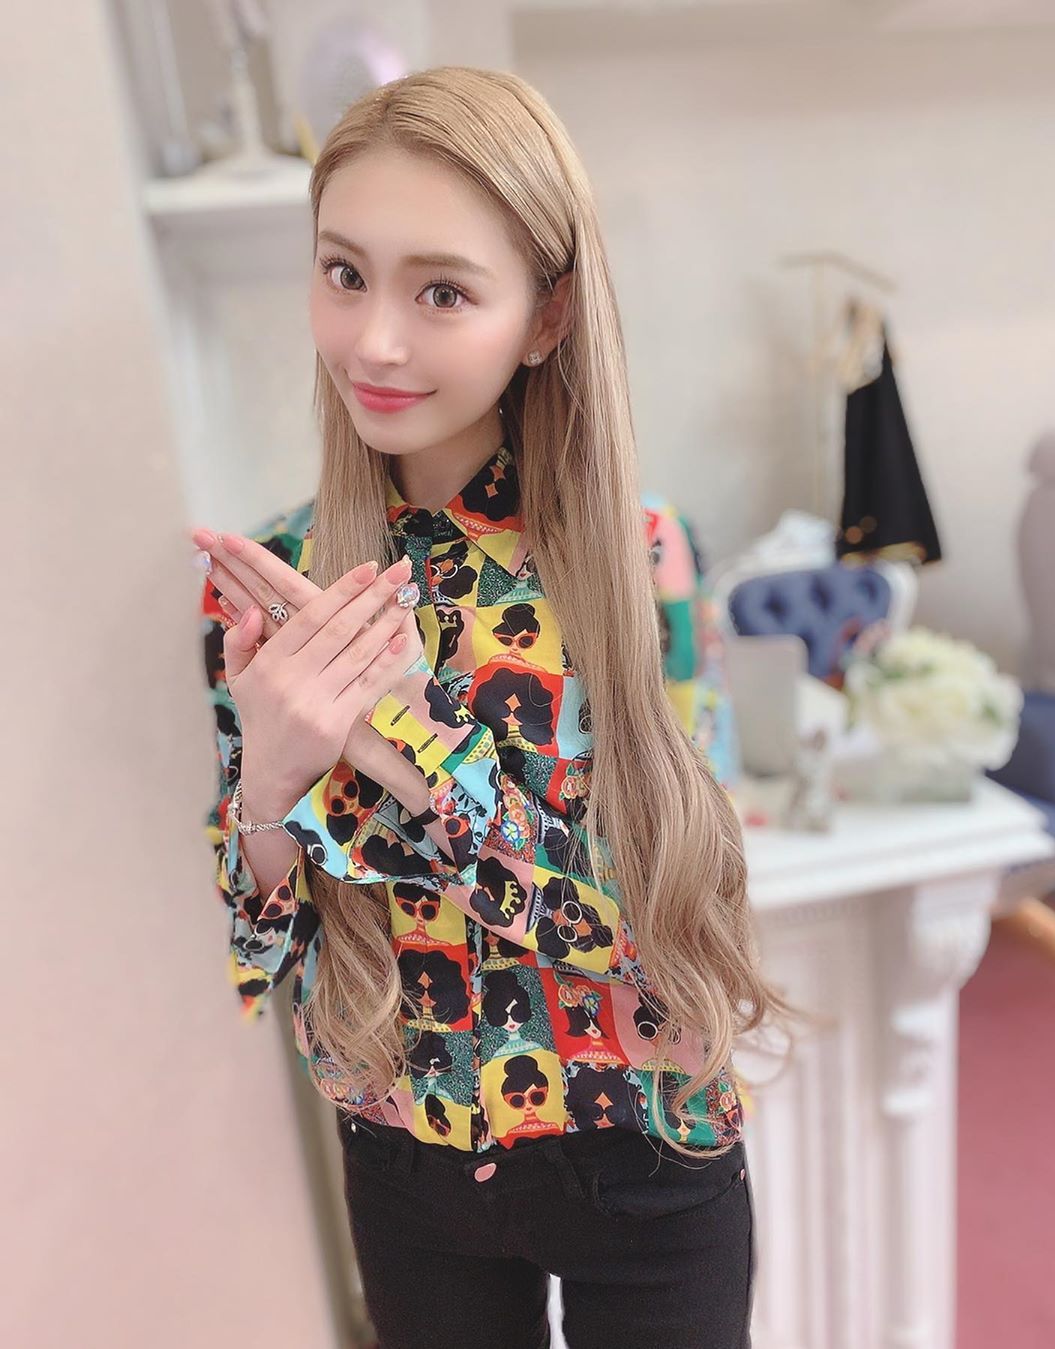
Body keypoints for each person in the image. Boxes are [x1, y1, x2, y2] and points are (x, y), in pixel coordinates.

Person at [192, 66, 800, 1349]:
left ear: (546, 314)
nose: (374, 341)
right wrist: (272, 785)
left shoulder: (637, 562)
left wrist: (411, 740)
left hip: (644, 1144)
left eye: (443, 291)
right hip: (404, 1153)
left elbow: (645, 932)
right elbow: (258, 959)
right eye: (344, 273)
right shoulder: (273, 577)